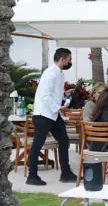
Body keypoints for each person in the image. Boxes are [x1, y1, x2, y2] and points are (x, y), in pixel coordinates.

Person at [26, 48, 76, 186]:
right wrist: (58, 107)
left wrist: (64, 95)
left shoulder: (59, 74)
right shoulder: (49, 74)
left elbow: (54, 94)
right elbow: (45, 96)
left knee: (64, 140)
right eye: (69, 60)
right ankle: (32, 176)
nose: (70, 62)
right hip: (43, 115)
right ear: (62, 60)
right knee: (37, 144)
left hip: (53, 115)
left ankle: (65, 173)